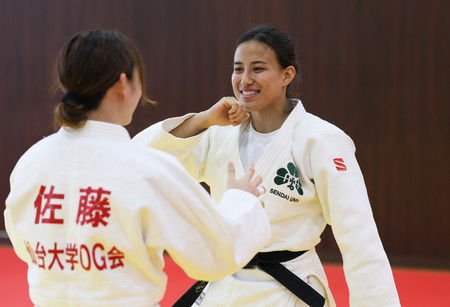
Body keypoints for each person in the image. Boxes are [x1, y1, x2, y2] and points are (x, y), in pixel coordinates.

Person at [133, 25, 401, 306]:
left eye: (258, 69)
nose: (245, 79)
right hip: (224, 285)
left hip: (288, 288)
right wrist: (203, 120)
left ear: (287, 75)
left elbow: (358, 235)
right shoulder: (219, 133)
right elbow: (140, 161)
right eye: (238, 69)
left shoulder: (321, 139)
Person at [3, 29, 272, 307]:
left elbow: (26, 247)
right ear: (123, 83)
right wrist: (242, 199)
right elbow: (216, 255)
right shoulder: (148, 169)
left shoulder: (30, 162)